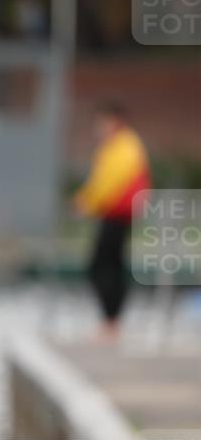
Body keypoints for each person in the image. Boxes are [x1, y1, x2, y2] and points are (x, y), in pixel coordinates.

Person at [72, 101, 151, 343]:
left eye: (103, 121)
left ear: (115, 120)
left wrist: (88, 202)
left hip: (116, 214)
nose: (99, 126)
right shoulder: (119, 145)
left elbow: (110, 182)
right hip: (113, 214)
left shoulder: (124, 146)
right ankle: (111, 322)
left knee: (102, 267)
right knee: (111, 265)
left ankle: (111, 322)